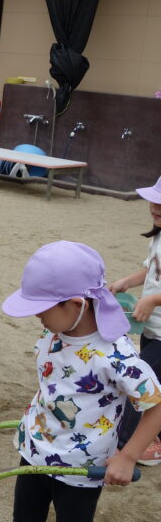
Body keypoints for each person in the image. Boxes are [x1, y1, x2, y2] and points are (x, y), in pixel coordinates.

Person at [0, 240, 161, 522]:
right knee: (23, 521)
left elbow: (155, 405)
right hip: (35, 449)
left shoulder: (116, 353)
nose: (36, 316)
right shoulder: (56, 330)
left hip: (81, 468)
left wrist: (127, 455)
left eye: (42, 308)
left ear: (76, 304)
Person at [109, 175, 161, 465]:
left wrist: (152, 300)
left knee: (140, 382)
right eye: (154, 201)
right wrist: (127, 282)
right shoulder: (158, 236)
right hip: (152, 327)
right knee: (154, 381)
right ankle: (151, 437)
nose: (155, 207)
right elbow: (151, 270)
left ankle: (126, 445)